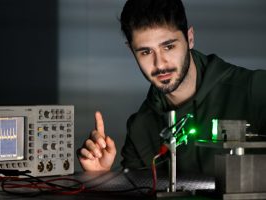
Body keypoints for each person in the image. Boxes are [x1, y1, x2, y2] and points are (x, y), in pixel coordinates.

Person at [77, 0, 266, 175]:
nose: (160, 64)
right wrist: (100, 177)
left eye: (168, 47)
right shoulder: (140, 128)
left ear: (190, 38)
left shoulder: (255, 90)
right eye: (145, 52)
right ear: (131, 51)